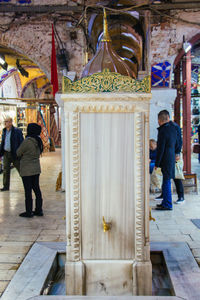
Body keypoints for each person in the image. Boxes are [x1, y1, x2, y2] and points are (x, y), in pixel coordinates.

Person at [155, 110, 184, 204]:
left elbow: (178, 141)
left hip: (174, 155)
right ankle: (165, 196)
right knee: (167, 177)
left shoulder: (173, 127)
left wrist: (177, 153)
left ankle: (180, 196)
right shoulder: (169, 128)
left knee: (176, 175)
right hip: (171, 154)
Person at [17, 123, 43, 218]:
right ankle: (39, 210)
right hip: (36, 168)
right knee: (36, 189)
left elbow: (18, 152)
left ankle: (29, 211)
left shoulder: (27, 141)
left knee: (28, 190)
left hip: (27, 169)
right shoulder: (38, 141)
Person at [0, 117, 24, 191]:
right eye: (5, 121)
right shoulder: (4, 131)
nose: (5, 123)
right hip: (6, 153)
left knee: (21, 170)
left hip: (15, 153)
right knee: (6, 170)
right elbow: (3, 142)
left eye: (6, 121)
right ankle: (6, 186)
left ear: (10, 122)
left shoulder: (17, 131)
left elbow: (21, 142)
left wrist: (20, 153)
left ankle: (27, 184)